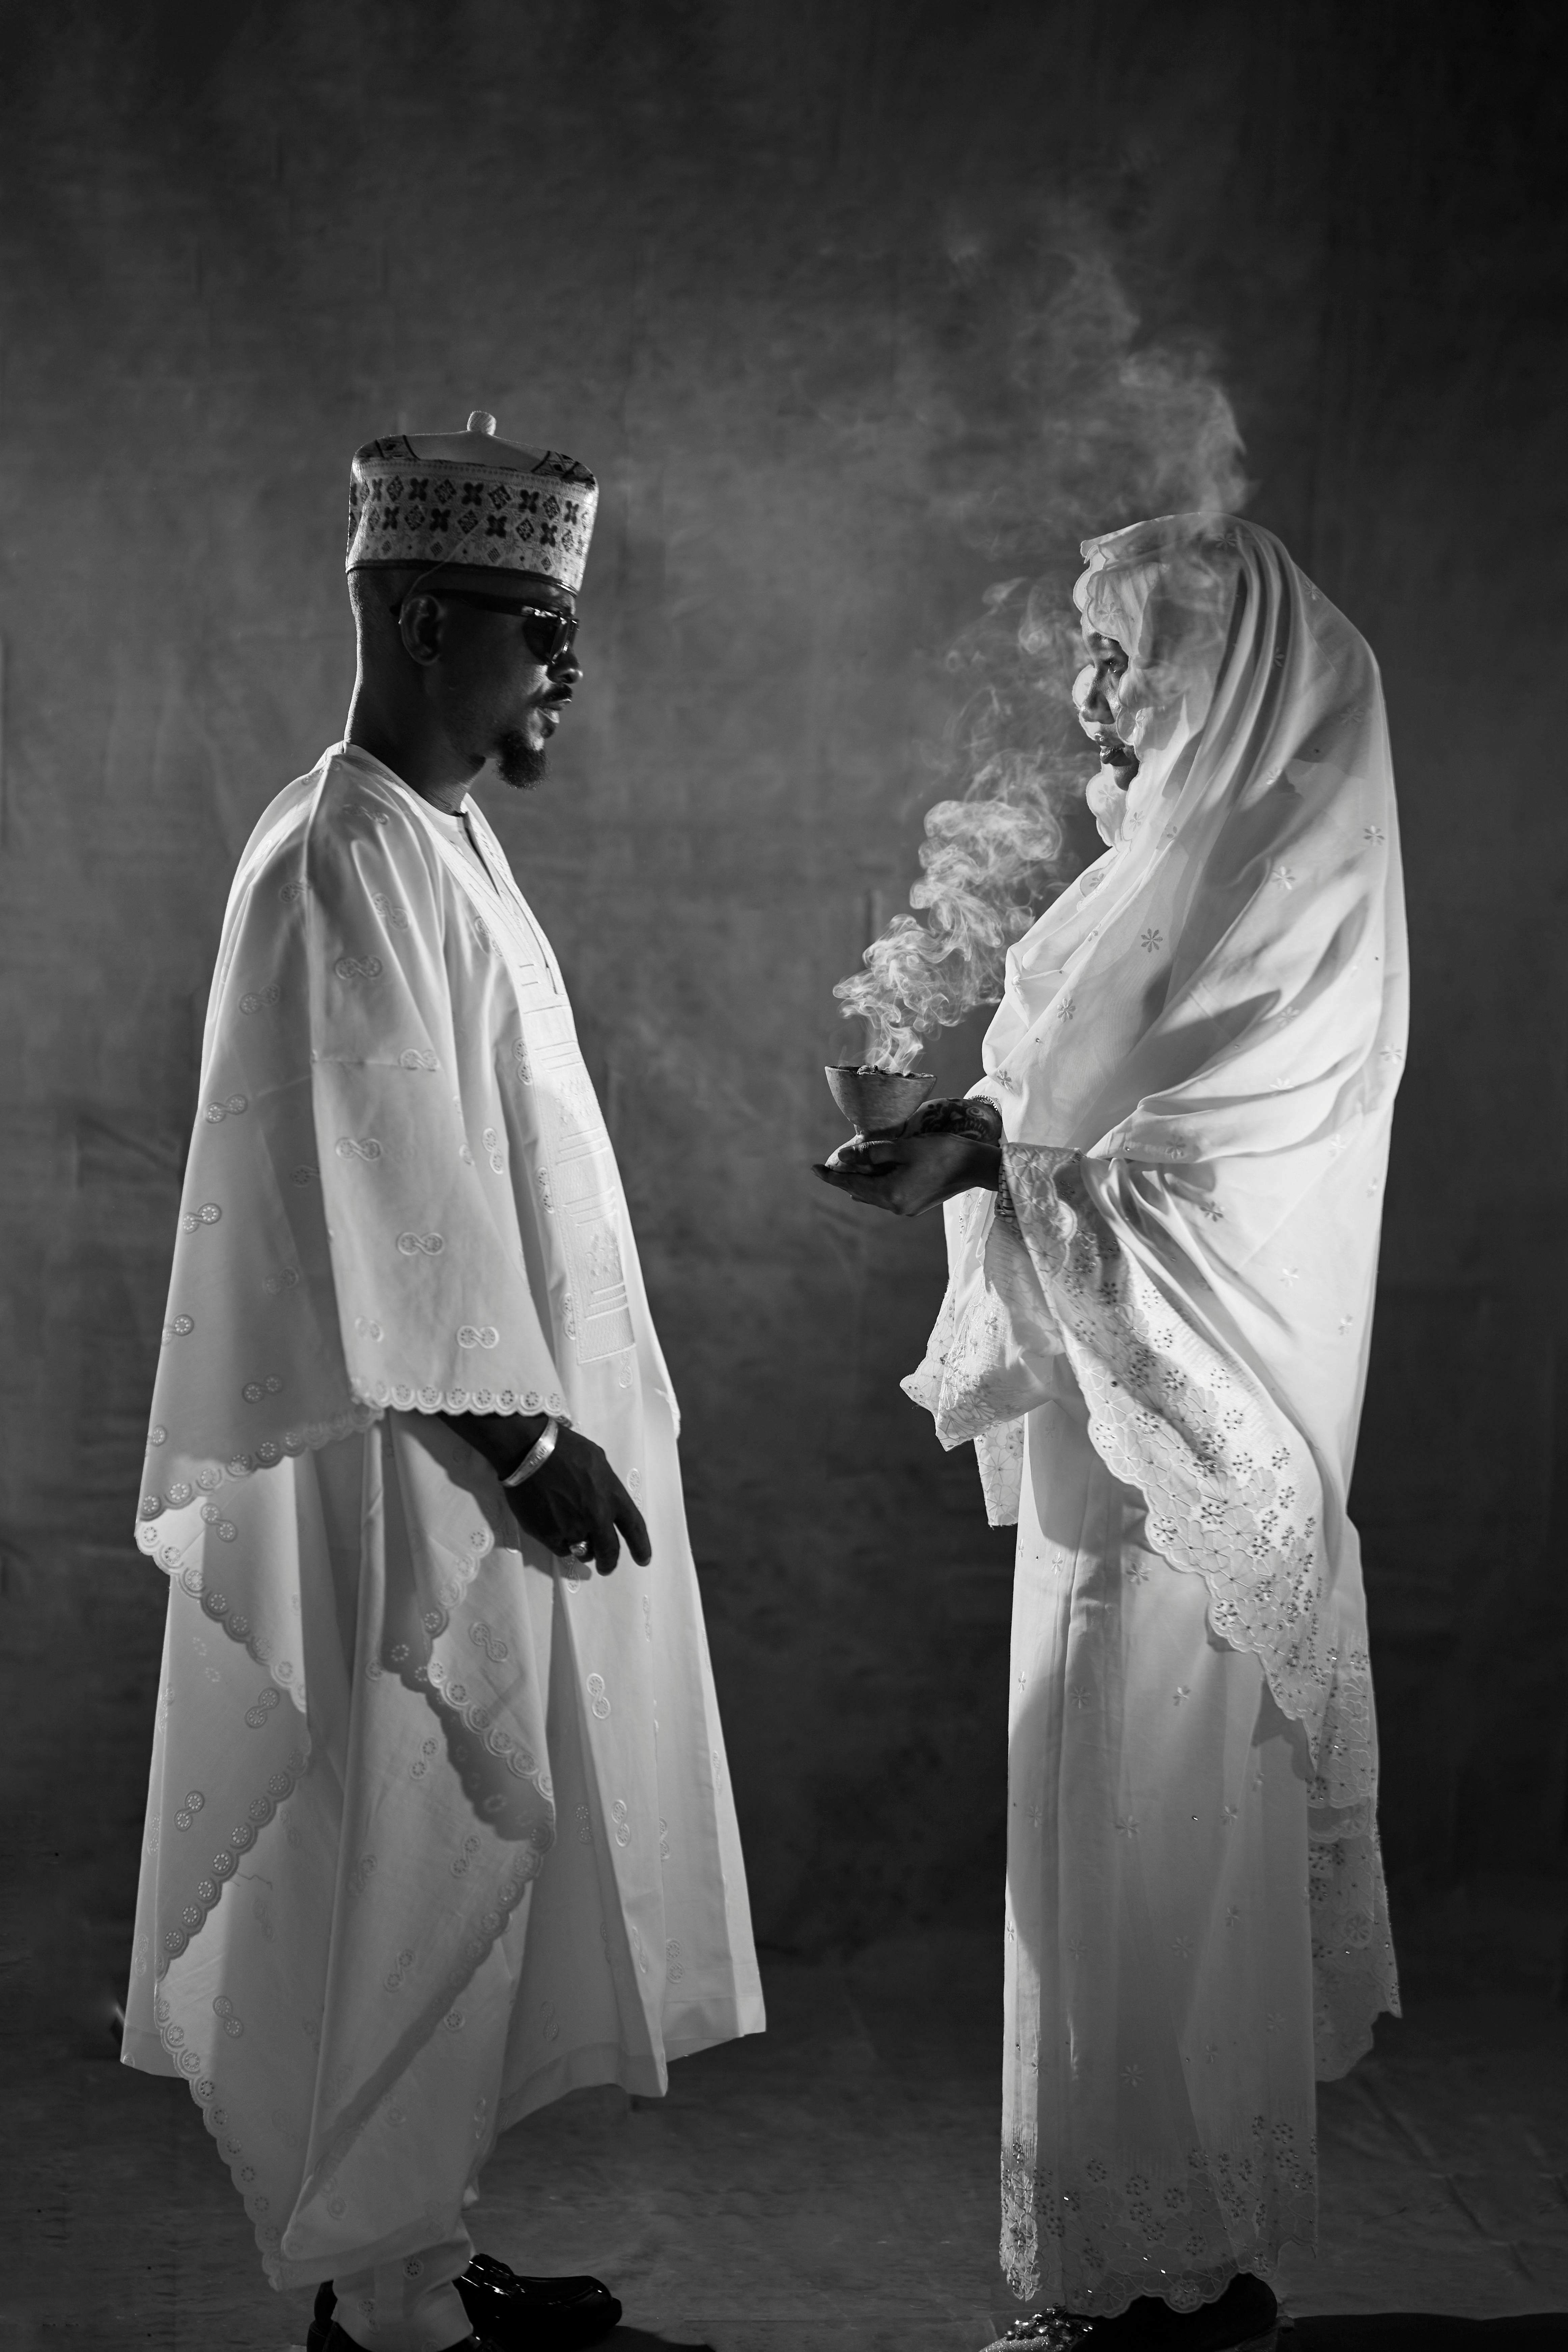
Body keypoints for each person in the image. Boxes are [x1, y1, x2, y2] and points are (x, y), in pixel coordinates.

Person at [123, 413, 764, 2352]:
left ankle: (404, 2253)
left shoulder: (441, 839)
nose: (565, 667)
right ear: (417, 618)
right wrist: (519, 1441)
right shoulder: (340, 853)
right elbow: (365, 1173)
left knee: (456, 1840)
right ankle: (378, 2304)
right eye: (531, 627)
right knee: (406, 1824)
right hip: (410, 1447)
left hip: (473, 1439)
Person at [818, 513, 1403, 2351]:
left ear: (1226, 676)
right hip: (1106, 1413)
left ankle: (1155, 2265)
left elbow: (1234, 1149)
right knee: (1097, 1809)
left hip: (1197, 1429)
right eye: (1085, 655)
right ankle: (1134, 2260)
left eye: (1126, 655)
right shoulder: (1136, 861)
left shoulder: (1297, 872)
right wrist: (965, 1137)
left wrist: (1002, 1156)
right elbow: (1055, 1086)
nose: (1092, 696)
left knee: (1161, 1809)